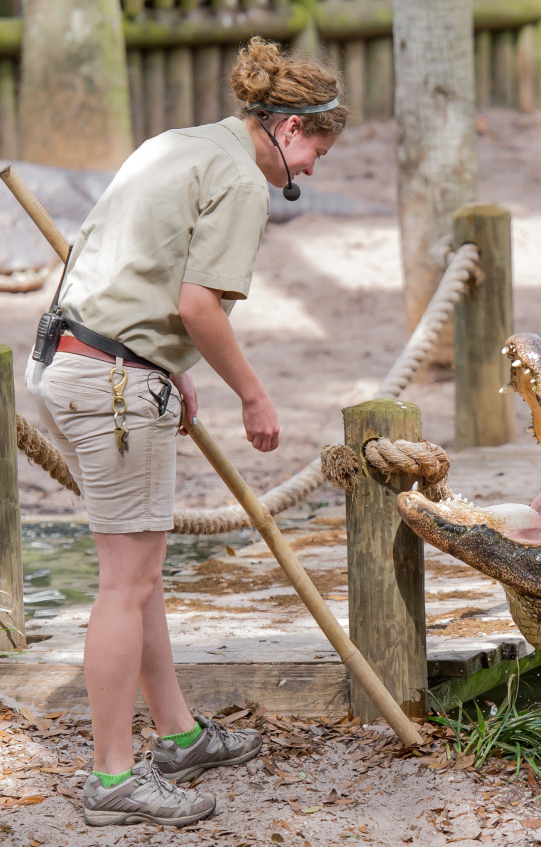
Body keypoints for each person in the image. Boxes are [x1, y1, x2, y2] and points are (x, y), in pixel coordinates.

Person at [25, 38, 348, 827]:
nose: (310, 169)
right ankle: (111, 779)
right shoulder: (240, 178)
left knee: (140, 571)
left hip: (73, 357)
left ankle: (176, 736)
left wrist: (168, 362)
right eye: (316, 150)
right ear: (291, 126)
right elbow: (200, 304)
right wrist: (253, 393)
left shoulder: (180, 143)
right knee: (123, 584)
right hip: (110, 382)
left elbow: (134, 265)